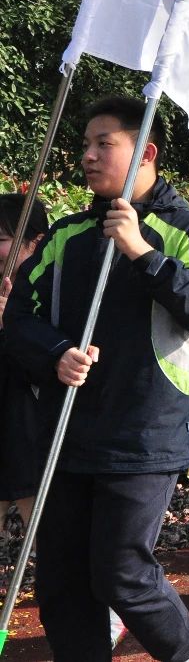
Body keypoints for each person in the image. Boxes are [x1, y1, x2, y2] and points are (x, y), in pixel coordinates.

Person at [4, 97, 189, 662]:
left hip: (144, 434)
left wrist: (140, 251)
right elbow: (18, 316)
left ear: (145, 152)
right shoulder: (66, 235)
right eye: (85, 144)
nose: (88, 155)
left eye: (104, 143)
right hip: (67, 432)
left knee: (122, 572)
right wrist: (55, 353)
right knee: (62, 582)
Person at [0, 194, 48, 545]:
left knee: (44, 525)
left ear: (36, 242)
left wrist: (13, 324)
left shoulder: (52, 288)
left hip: (31, 423)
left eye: (2, 241)